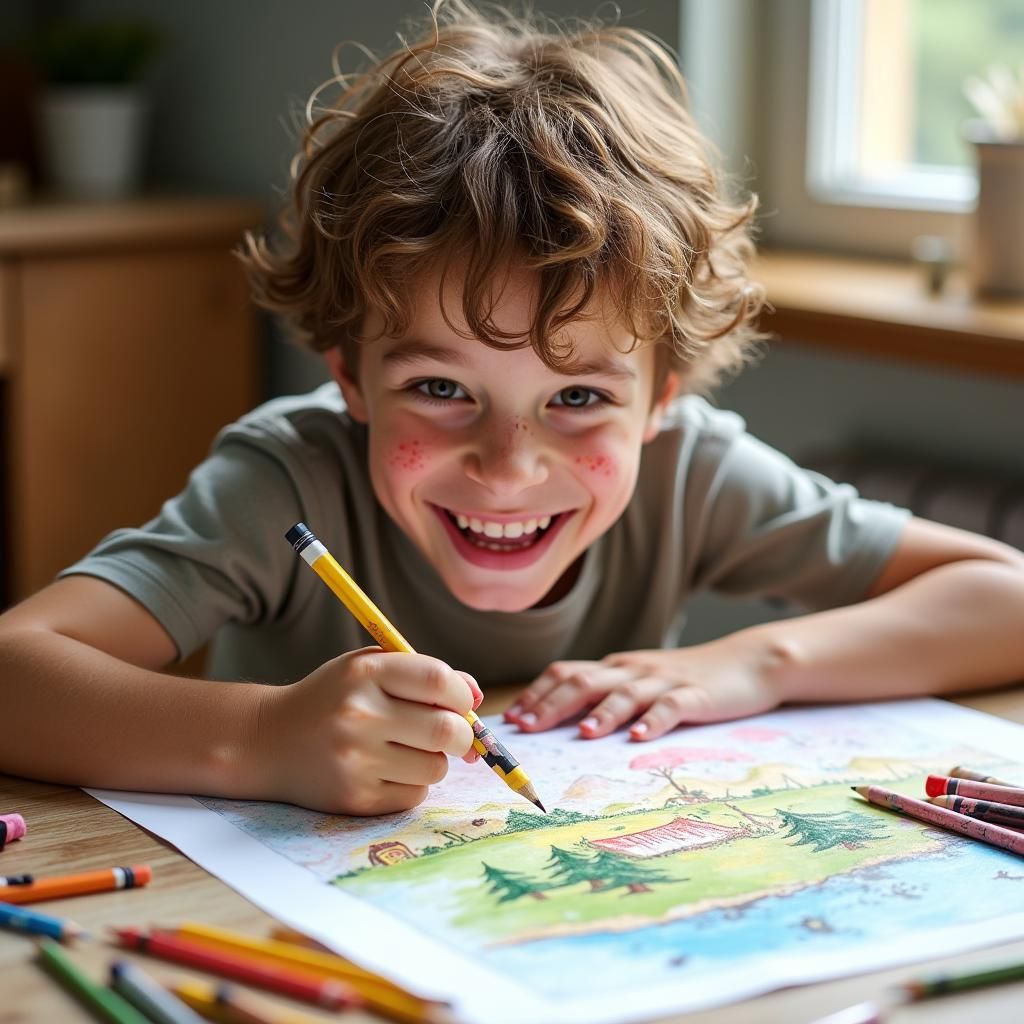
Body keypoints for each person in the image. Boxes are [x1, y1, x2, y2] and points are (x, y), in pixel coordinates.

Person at [1, 2, 1022, 817]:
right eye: (440, 390)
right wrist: (263, 738)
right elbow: (15, 674)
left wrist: (755, 662)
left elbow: (1004, 593)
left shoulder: (691, 472)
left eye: (577, 398)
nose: (506, 464)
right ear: (349, 376)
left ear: (659, 399)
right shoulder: (286, 482)